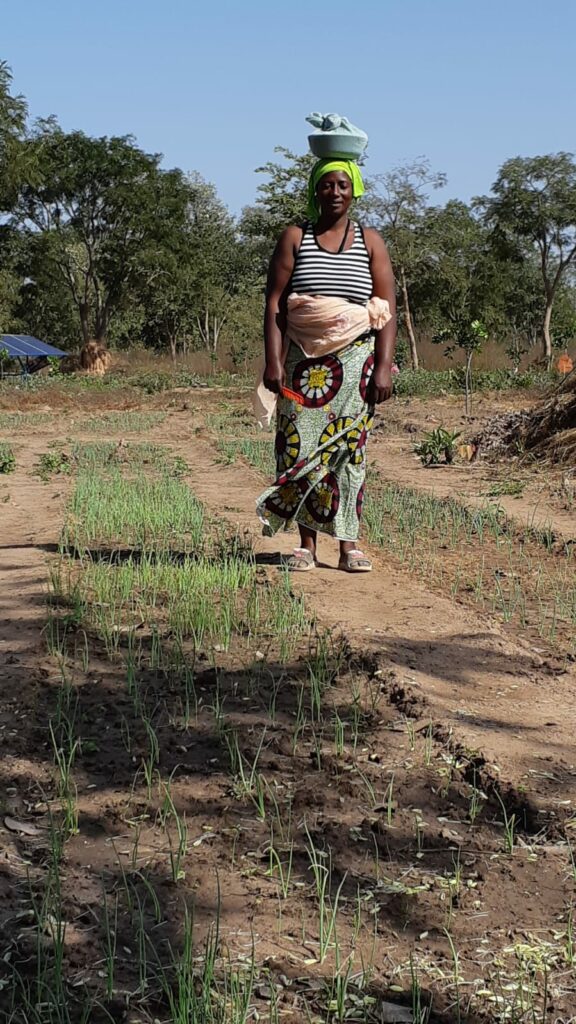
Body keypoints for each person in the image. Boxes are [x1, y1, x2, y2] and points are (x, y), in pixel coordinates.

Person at [255, 156, 396, 572]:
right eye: (326, 185)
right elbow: (275, 304)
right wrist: (273, 361)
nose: (334, 192)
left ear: (354, 191)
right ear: (315, 190)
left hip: (355, 363)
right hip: (302, 362)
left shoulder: (370, 241)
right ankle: (306, 545)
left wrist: (383, 366)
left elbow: (386, 308)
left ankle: (348, 545)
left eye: (342, 185)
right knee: (301, 449)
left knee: (349, 452)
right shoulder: (295, 238)